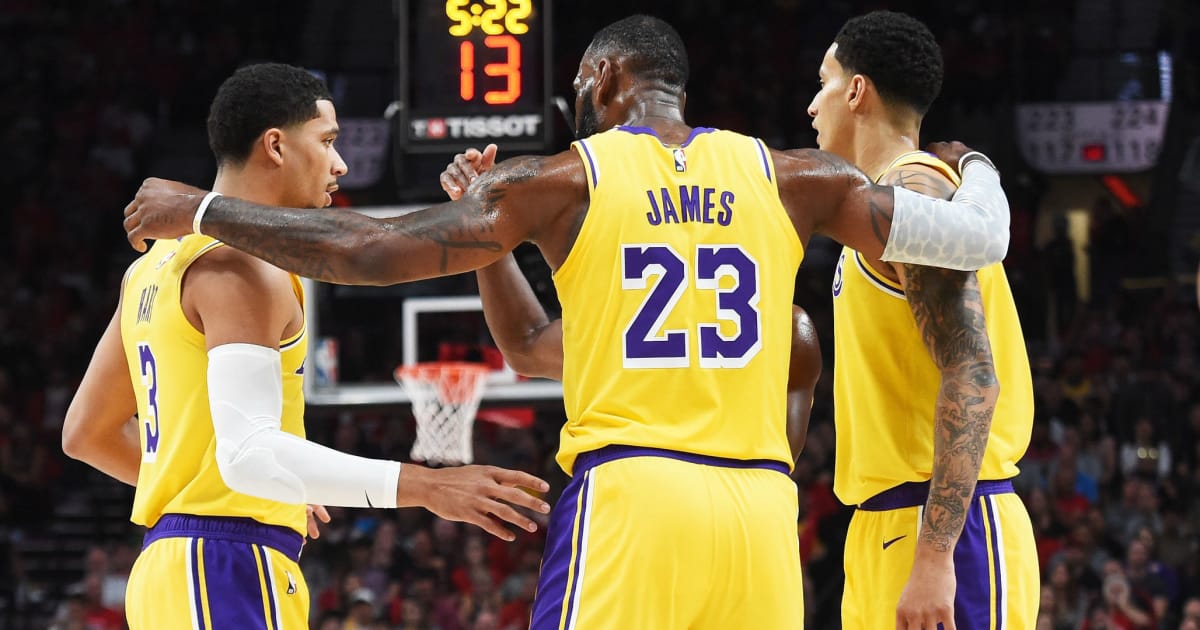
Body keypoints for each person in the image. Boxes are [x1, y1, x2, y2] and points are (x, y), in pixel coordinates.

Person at [121, 16, 1013, 628]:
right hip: (761, 514)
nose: (579, 99)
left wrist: (203, 210)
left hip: (635, 496)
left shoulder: (565, 179)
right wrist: (976, 166)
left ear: (607, 78)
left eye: (583, 83)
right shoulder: (795, 177)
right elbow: (972, 238)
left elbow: (367, 251)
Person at [63, 63, 549, 630]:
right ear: (275, 145)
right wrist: (428, 485)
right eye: (326, 141)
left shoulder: (152, 266)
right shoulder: (242, 266)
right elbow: (249, 455)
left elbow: (86, 433)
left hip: (170, 569)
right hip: (224, 567)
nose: (340, 164)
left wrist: (257, 489)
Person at [805, 11, 1038, 629]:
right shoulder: (884, 203)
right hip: (884, 522)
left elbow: (972, 374)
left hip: (945, 530)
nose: (812, 105)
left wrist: (935, 556)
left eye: (824, 83)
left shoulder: (916, 191)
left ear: (857, 91)